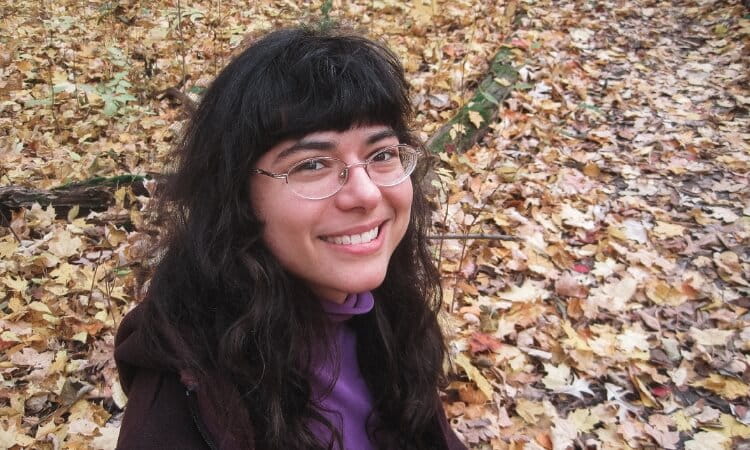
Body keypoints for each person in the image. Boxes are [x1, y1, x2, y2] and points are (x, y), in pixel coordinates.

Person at [115, 24, 466, 450]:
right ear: (237, 197)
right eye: (313, 165)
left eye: (382, 154)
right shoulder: (184, 400)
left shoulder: (386, 314)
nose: (367, 194)